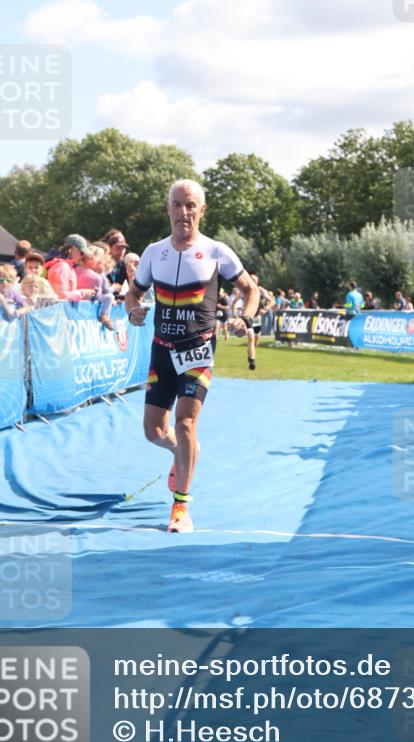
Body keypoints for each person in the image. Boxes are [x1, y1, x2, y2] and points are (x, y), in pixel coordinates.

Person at [125, 179, 259, 533]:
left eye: (190, 205)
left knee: (185, 424)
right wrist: (133, 309)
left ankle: (181, 508)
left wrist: (244, 317)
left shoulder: (217, 251)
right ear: (168, 209)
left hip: (198, 352)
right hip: (162, 352)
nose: (183, 212)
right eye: (177, 205)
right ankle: (180, 453)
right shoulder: (154, 252)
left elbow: (250, 289)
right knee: (154, 431)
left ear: (202, 210)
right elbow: (133, 293)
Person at [76, 244, 115, 330]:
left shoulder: (75, 269)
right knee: (110, 297)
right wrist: (101, 273)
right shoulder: (96, 277)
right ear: (90, 258)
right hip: (88, 303)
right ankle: (104, 315)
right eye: (100, 260)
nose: (101, 262)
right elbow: (97, 296)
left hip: (76, 302)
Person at [245, 274, 272, 370]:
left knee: (256, 341)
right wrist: (234, 308)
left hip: (257, 318)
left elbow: (272, 301)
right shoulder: (245, 288)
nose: (253, 281)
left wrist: (266, 309)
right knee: (251, 338)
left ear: (257, 281)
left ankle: (251, 353)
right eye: (251, 279)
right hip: (248, 317)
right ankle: (252, 360)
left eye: (254, 280)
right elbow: (235, 299)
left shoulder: (260, 290)